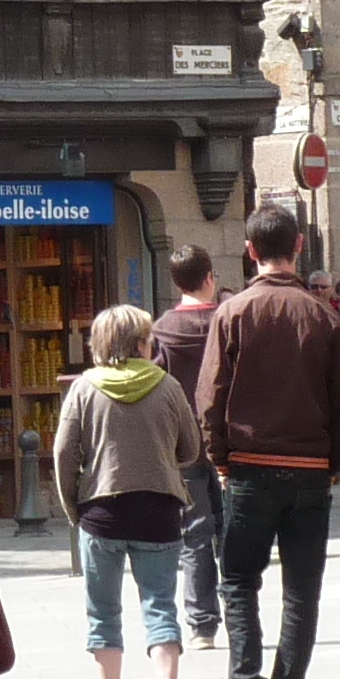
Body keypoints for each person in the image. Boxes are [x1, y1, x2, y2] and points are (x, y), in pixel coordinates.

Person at [197, 205, 340, 679]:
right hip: (309, 469)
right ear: (301, 243)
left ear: (249, 250)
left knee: (238, 581)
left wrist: (219, 458)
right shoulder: (323, 317)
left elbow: (211, 398)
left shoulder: (232, 313)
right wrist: (333, 462)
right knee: (301, 591)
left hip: (250, 467)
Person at [48, 305, 201, 679]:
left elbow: (63, 452)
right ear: (140, 343)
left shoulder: (83, 390)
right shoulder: (167, 385)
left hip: (102, 513)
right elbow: (190, 447)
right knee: (160, 605)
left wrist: (73, 507)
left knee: (103, 613)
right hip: (159, 511)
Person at [149, 244, 224, 647]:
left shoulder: (162, 329)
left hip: (184, 443)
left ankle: (202, 624)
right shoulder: (227, 320)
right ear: (209, 276)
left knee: (195, 532)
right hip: (229, 438)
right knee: (232, 527)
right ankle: (240, 608)